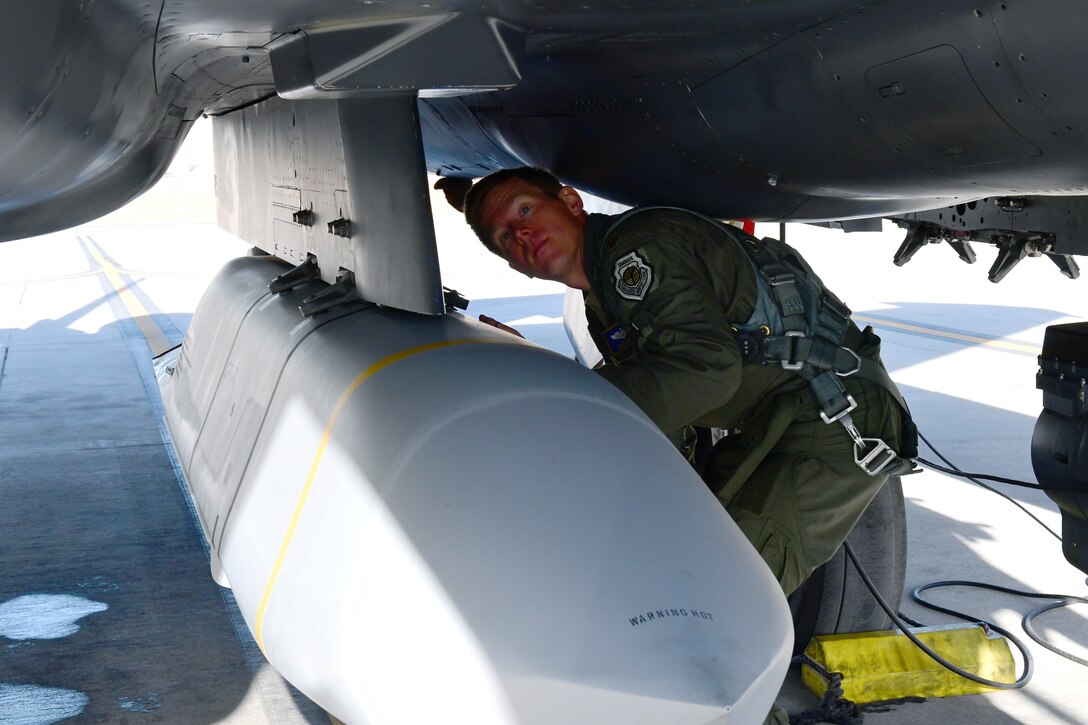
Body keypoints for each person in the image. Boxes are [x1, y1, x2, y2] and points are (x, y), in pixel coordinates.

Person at [452, 167, 915, 601]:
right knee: (676, 557)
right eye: (506, 237)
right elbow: (665, 397)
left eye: (525, 210)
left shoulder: (637, 251)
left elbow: (704, 372)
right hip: (780, 418)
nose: (523, 235)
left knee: (721, 592)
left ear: (570, 201)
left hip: (834, 420)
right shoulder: (603, 290)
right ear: (516, 267)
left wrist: (562, 388)